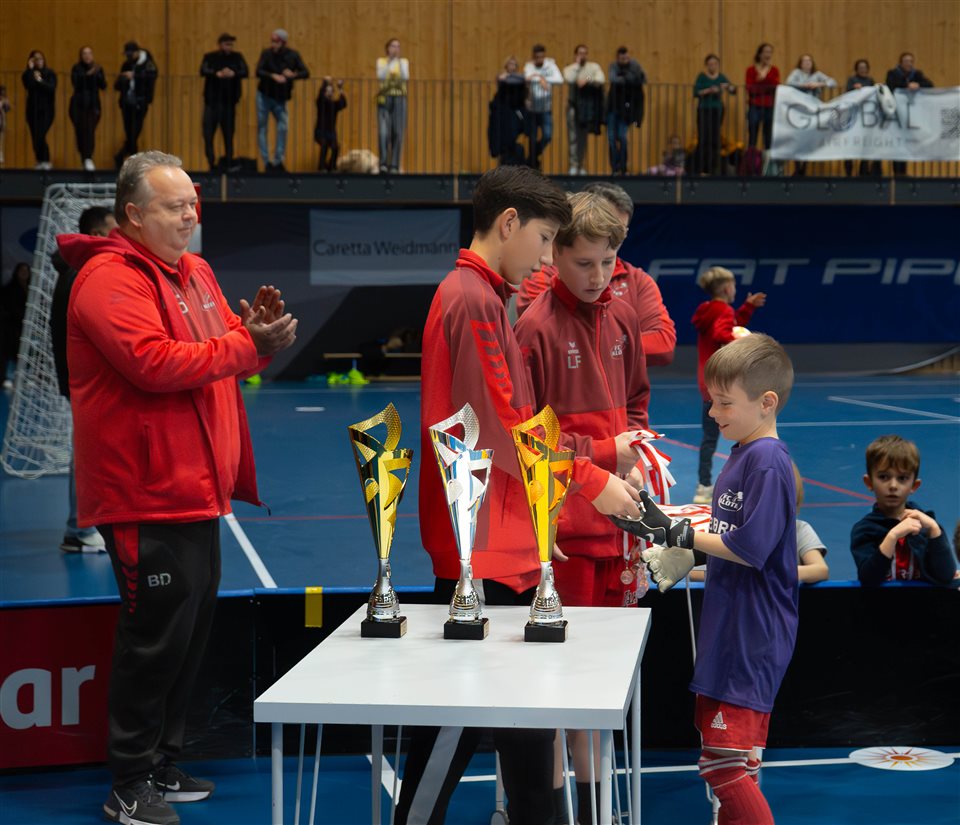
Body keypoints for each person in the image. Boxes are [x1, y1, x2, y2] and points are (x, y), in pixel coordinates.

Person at [58, 150, 298, 825]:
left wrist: (254, 339)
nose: (191, 216)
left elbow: (223, 350)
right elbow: (154, 362)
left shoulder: (195, 271)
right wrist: (247, 345)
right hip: (144, 493)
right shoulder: (108, 279)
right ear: (134, 214)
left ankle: (162, 761)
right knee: (154, 639)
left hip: (196, 486)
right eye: (175, 207)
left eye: (193, 204)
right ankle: (128, 781)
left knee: (187, 636)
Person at [397, 165, 642, 825]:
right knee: (454, 730)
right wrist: (592, 480)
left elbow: (517, 421)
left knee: (528, 733)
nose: (544, 257)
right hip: (481, 553)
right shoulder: (472, 299)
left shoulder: (480, 294)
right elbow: (506, 427)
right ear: (510, 223)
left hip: (501, 543)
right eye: (544, 239)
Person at [614, 333, 799, 825]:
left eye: (724, 402)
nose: (713, 413)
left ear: (766, 403)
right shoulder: (743, 453)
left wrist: (679, 533)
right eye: (710, 401)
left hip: (751, 633)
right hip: (732, 626)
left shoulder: (767, 461)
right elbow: (730, 543)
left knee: (723, 764)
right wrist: (686, 552)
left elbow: (752, 548)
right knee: (738, 759)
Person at [514, 191, 649, 825]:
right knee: (557, 687)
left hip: (619, 529)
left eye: (608, 263)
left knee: (603, 683)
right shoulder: (533, 329)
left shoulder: (623, 318)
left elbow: (638, 403)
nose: (597, 277)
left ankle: (596, 811)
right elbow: (528, 438)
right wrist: (604, 452)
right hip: (563, 537)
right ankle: (552, 813)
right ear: (555, 255)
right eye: (583, 263)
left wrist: (636, 452)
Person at [516, 180, 677, 368]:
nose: (598, 279)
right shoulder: (541, 275)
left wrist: (609, 346)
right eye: (600, 223)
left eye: (619, 228)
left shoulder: (638, 282)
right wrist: (617, 343)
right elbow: (548, 340)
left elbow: (663, 344)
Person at [49, 206, 117, 552]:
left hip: (80, 381)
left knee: (91, 452)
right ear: (96, 233)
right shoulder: (80, 273)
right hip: (85, 383)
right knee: (87, 453)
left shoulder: (75, 270)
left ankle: (84, 526)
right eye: (112, 229)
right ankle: (78, 530)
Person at [691, 266, 766, 504]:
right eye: (733, 285)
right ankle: (742, 484)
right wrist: (744, 340)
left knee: (709, 438)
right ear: (726, 288)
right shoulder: (723, 310)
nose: (735, 289)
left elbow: (731, 322)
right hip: (722, 384)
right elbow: (723, 332)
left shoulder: (707, 309)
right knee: (745, 433)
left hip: (707, 383)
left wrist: (747, 307)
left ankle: (703, 486)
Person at [690, 461, 829, 584]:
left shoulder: (799, 529)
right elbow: (702, 573)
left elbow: (820, 570)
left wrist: (767, 575)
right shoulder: (732, 531)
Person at [850, 435, 955, 586]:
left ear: (914, 486)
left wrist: (934, 529)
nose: (893, 485)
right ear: (869, 482)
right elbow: (868, 579)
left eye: (902, 478)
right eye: (883, 477)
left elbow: (946, 575)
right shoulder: (864, 530)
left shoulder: (925, 526)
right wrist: (892, 536)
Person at [255, 28, 309, 173]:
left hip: (280, 98)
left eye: (276, 41)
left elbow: (306, 72)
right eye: (272, 41)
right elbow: (258, 71)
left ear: (283, 42)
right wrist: (272, 76)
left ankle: (278, 160)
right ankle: (266, 161)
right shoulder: (266, 53)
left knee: (283, 127)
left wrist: (293, 75)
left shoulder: (292, 55)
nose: (273, 44)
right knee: (262, 127)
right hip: (264, 95)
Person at [200, 33, 249, 173]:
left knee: (228, 133)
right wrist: (217, 73)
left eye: (231, 44)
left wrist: (233, 73)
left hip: (229, 102)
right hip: (212, 102)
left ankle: (228, 161)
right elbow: (203, 70)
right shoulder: (210, 57)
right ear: (220, 44)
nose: (229, 47)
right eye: (227, 44)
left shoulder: (237, 57)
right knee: (208, 133)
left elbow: (245, 71)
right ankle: (211, 162)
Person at [785, 54, 837, 176]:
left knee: (809, 138)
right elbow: (788, 82)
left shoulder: (817, 75)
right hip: (799, 110)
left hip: (813, 109)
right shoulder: (796, 73)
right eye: (804, 61)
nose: (807, 63)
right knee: (798, 137)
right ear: (800, 63)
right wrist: (805, 85)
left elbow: (833, 82)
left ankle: (805, 166)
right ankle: (797, 166)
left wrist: (819, 84)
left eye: (809, 61)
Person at [885, 53, 934, 177]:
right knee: (896, 143)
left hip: (910, 116)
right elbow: (890, 86)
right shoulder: (893, 73)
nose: (909, 64)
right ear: (901, 62)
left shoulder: (917, 74)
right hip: (896, 114)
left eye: (911, 61)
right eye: (906, 61)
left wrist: (918, 85)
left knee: (906, 142)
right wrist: (906, 86)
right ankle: (896, 172)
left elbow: (930, 84)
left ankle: (903, 172)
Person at [113, 41, 158, 168]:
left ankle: (126, 158)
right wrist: (123, 78)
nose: (128, 57)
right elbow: (117, 85)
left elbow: (152, 77)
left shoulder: (148, 63)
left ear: (137, 52)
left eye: (130, 54)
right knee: (129, 132)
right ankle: (130, 160)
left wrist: (134, 76)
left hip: (140, 102)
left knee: (134, 132)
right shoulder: (126, 64)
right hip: (127, 102)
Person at [562, 44, 605, 175]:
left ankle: (581, 165)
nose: (583, 55)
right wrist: (577, 67)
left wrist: (587, 79)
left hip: (586, 108)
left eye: (585, 53)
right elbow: (569, 78)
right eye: (580, 53)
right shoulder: (570, 68)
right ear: (575, 55)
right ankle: (573, 165)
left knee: (583, 138)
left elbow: (600, 79)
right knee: (573, 137)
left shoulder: (593, 67)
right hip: (573, 106)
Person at [605, 46, 645, 175]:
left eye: (626, 57)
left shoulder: (634, 65)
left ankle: (623, 167)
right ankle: (615, 167)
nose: (624, 60)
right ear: (618, 58)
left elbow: (641, 78)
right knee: (611, 139)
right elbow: (613, 79)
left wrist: (625, 76)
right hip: (612, 108)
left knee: (622, 137)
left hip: (626, 110)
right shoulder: (613, 66)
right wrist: (626, 78)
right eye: (622, 58)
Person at [693, 54, 736, 175]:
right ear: (706, 65)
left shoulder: (721, 77)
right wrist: (709, 90)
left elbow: (733, 90)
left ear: (718, 65)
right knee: (703, 138)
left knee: (715, 138)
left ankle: (713, 168)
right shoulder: (702, 77)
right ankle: (702, 168)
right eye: (710, 64)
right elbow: (696, 92)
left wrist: (728, 86)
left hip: (717, 110)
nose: (713, 66)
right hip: (704, 109)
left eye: (715, 64)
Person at [523, 44, 563, 170]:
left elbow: (560, 80)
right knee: (532, 138)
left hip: (546, 109)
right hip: (532, 109)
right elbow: (526, 78)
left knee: (547, 136)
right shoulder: (529, 66)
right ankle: (532, 163)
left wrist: (543, 78)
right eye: (537, 57)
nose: (539, 59)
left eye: (541, 57)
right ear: (533, 57)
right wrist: (540, 78)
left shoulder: (550, 65)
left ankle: (532, 157)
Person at [69, 46, 107, 171]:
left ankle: (88, 158)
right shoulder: (76, 68)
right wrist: (88, 75)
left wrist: (97, 74)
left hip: (93, 105)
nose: (87, 56)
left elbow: (103, 85)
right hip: (78, 105)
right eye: (84, 53)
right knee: (80, 132)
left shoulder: (98, 68)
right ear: (81, 56)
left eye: (89, 53)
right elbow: (75, 83)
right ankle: (83, 158)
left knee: (89, 131)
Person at [376, 38, 409, 174]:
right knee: (383, 132)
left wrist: (398, 62)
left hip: (400, 98)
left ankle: (395, 165)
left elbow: (405, 77)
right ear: (387, 48)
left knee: (398, 132)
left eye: (398, 46)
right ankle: (383, 163)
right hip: (385, 97)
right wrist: (390, 62)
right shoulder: (382, 61)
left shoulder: (403, 62)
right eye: (393, 46)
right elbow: (381, 76)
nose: (396, 49)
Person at [488, 56, 527, 166]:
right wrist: (506, 77)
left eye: (514, 64)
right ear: (506, 66)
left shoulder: (519, 79)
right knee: (501, 139)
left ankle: (512, 163)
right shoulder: (502, 77)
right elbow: (500, 79)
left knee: (512, 137)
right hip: (502, 114)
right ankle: (503, 162)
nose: (512, 66)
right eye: (510, 64)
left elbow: (522, 80)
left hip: (514, 112)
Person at [22, 50, 57, 170]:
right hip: (32, 110)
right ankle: (39, 160)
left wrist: (39, 80)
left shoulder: (49, 73)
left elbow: (51, 88)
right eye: (35, 59)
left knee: (40, 135)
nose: (38, 61)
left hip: (46, 110)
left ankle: (46, 160)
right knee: (35, 136)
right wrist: (30, 69)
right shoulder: (28, 74)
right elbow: (28, 85)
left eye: (40, 58)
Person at [844, 60, 878, 177]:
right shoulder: (852, 80)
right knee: (850, 146)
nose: (863, 70)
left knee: (865, 146)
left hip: (866, 117)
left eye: (864, 67)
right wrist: (854, 89)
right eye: (860, 67)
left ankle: (863, 172)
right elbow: (847, 94)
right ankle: (849, 173)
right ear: (856, 69)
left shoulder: (870, 81)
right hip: (854, 116)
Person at [0, 263, 30, 387]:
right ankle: (7, 377)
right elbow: (10, 307)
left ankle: (23, 377)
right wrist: (22, 316)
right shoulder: (10, 288)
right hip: (11, 326)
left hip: (25, 327)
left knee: (24, 353)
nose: (24, 273)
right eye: (21, 271)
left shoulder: (30, 288)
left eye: (26, 271)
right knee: (9, 351)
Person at [745, 43, 779, 150]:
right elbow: (750, 89)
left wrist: (762, 79)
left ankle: (767, 160)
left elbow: (775, 86)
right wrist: (766, 85)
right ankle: (752, 159)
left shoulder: (774, 70)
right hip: (754, 105)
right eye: (765, 52)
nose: (768, 55)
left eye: (770, 52)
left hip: (769, 106)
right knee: (753, 134)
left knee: (768, 135)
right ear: (760, 54)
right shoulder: (750, 70)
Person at [314, 77, 346, 172]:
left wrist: (340, 89)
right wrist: (325, 82)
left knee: (335, 147)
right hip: (320, 131)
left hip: (331, 132)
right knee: (324, 144)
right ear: (324, 92)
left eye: (331, 91)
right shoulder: (321, 102)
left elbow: (343, 103)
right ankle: (321, 167)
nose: (329, 92)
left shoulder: (333, 105)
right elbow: (321, 95)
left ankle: (331, 167)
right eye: (327, 91)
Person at [0, 84, 11, 166]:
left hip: (1, 123)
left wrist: (6, 103)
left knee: (1, 141)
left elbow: (7, 109)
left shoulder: (4, 99)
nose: (3, 93)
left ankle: (0, 157)